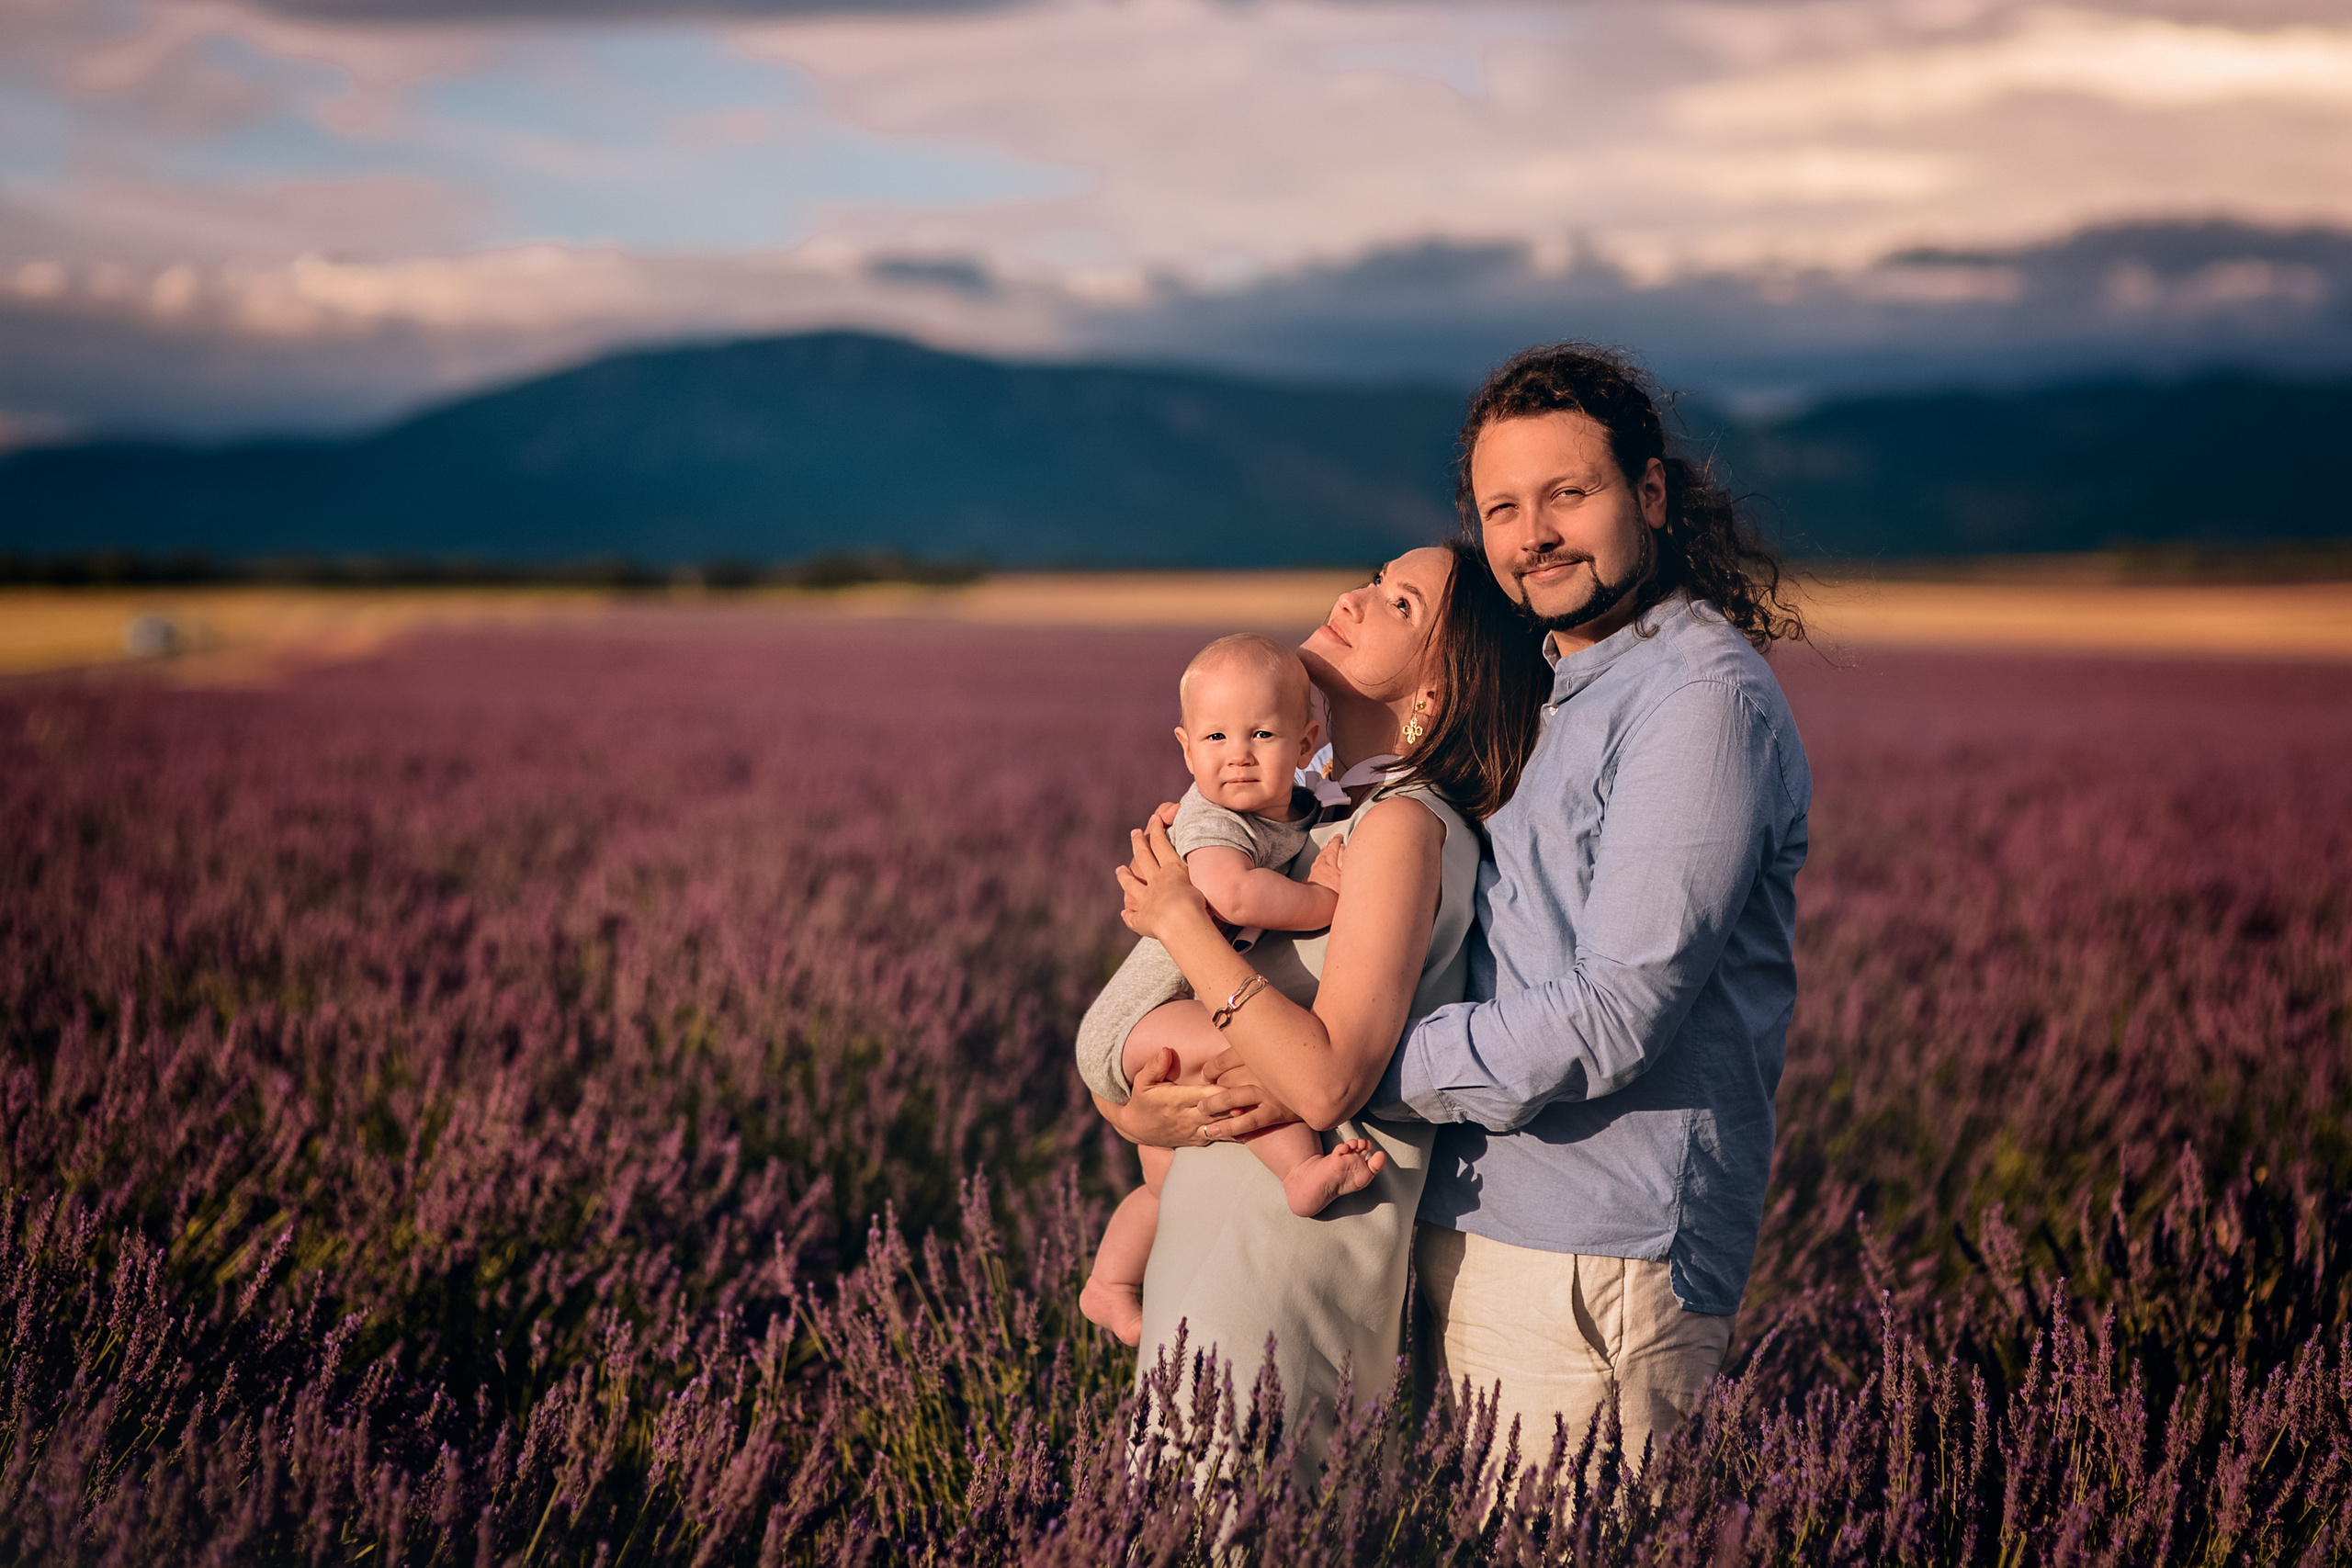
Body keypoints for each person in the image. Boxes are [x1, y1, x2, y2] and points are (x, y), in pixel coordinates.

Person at [1369, 343, 1813, 1472]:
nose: (1534, 535)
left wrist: (1346, 1063)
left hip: (1589, 1254)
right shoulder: (1557, 684)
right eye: (1502, 508)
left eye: (1569, 494)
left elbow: (1615, 1011)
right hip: (1468, 1209)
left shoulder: (1696, 701)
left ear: (1650, 494)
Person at [1079, 540, 1546, 1468]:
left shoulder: (1403, 825)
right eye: (1375, 579)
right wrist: (1133, 1104)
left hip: (1279, 1273)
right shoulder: (1316, 819)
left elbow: (1326, 1081)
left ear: (1441, 690)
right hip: (1214, 1242)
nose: (1355, 596)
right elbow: (1198, 1052)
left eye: (1400, 604)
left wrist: (1183, 925)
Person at [1078, 633, 1392, 1349]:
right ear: (1187, 750)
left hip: (1151, 1026)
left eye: (1262, 734)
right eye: (1215, 737)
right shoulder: (1214, 821)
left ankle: (1109, 1282)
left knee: (1165, 1188)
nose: (1238, 754)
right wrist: (1323, 898)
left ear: (1307, 741)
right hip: (1140, 1020)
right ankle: (1301, 1169)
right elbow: (1233, 894)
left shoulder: (1297, 803)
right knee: (1247, 1047)